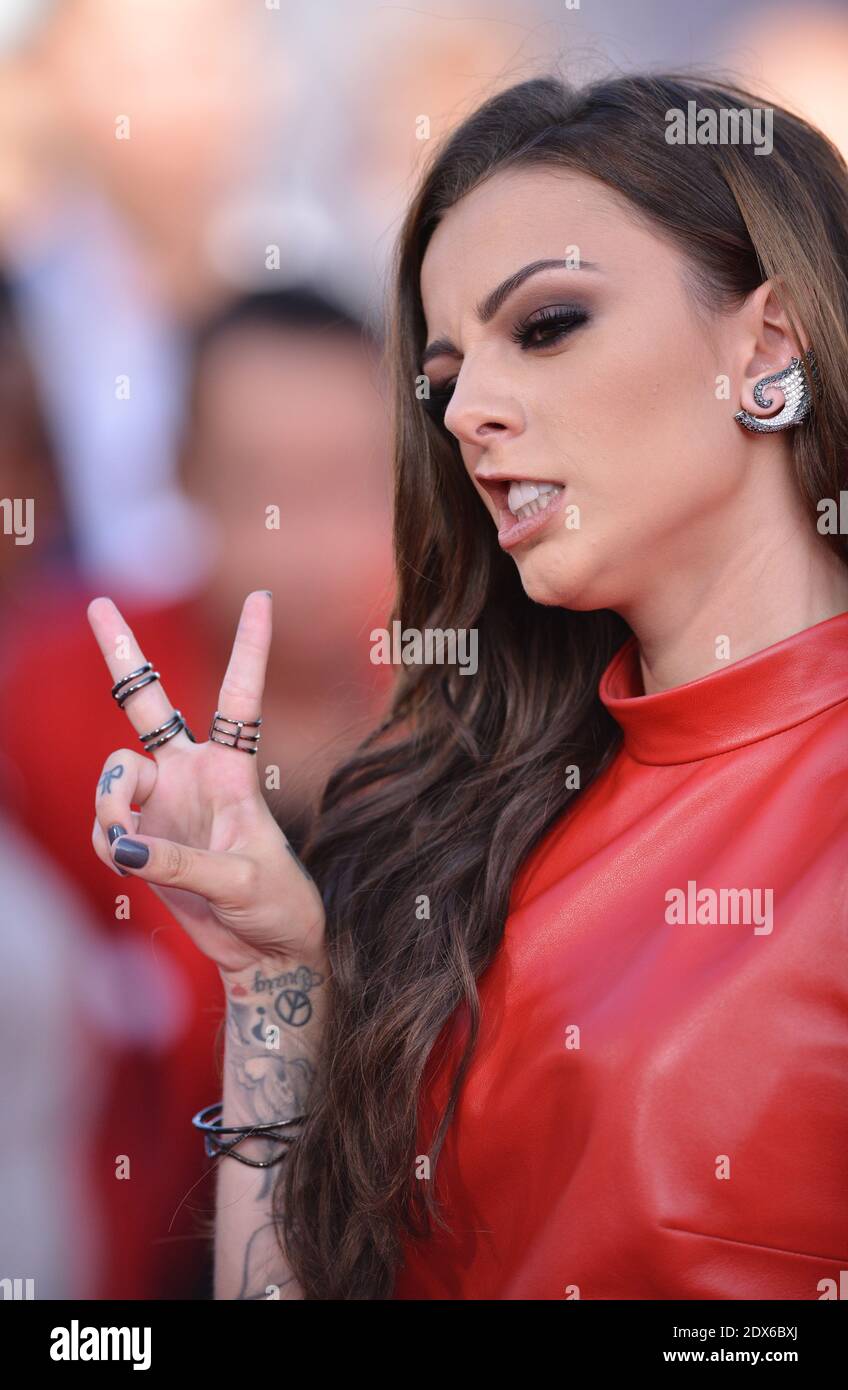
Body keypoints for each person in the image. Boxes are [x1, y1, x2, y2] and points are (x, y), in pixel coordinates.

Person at [86, 71, 848, 1301]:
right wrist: (274, 989)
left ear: (760, 342)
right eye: (443, 378)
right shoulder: (473, 809)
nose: (472, 413)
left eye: (545, 326)